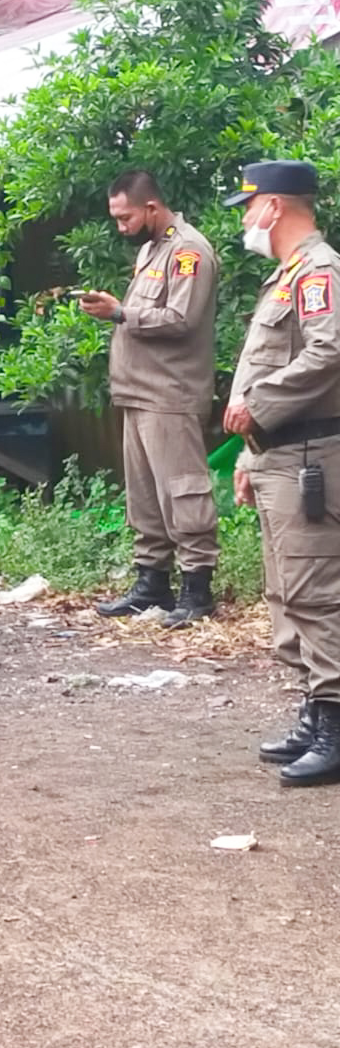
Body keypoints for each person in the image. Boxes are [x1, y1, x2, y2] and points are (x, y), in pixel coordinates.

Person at [222, 161, 340, 787]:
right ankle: (315, 711)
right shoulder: (286, 275)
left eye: (247, 207)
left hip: (310, 457)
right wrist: (248, 452)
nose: (244, 220)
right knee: (286, 592)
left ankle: (336, 725)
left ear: (272, 207)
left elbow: (329, 350)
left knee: (317, 593)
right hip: (278, 455)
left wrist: (257, 409)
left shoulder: (319, 270)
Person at [81, 170, 221, 628]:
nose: (120, 226)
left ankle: (197, 590)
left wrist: (119, 312)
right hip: (138, 393)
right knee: (144, 499)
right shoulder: (149, 250)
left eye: (125, 217)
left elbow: (180, 319)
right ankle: (151, 585)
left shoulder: (188, 252)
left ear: (151, 208)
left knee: (183, 491)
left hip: (170, 393)